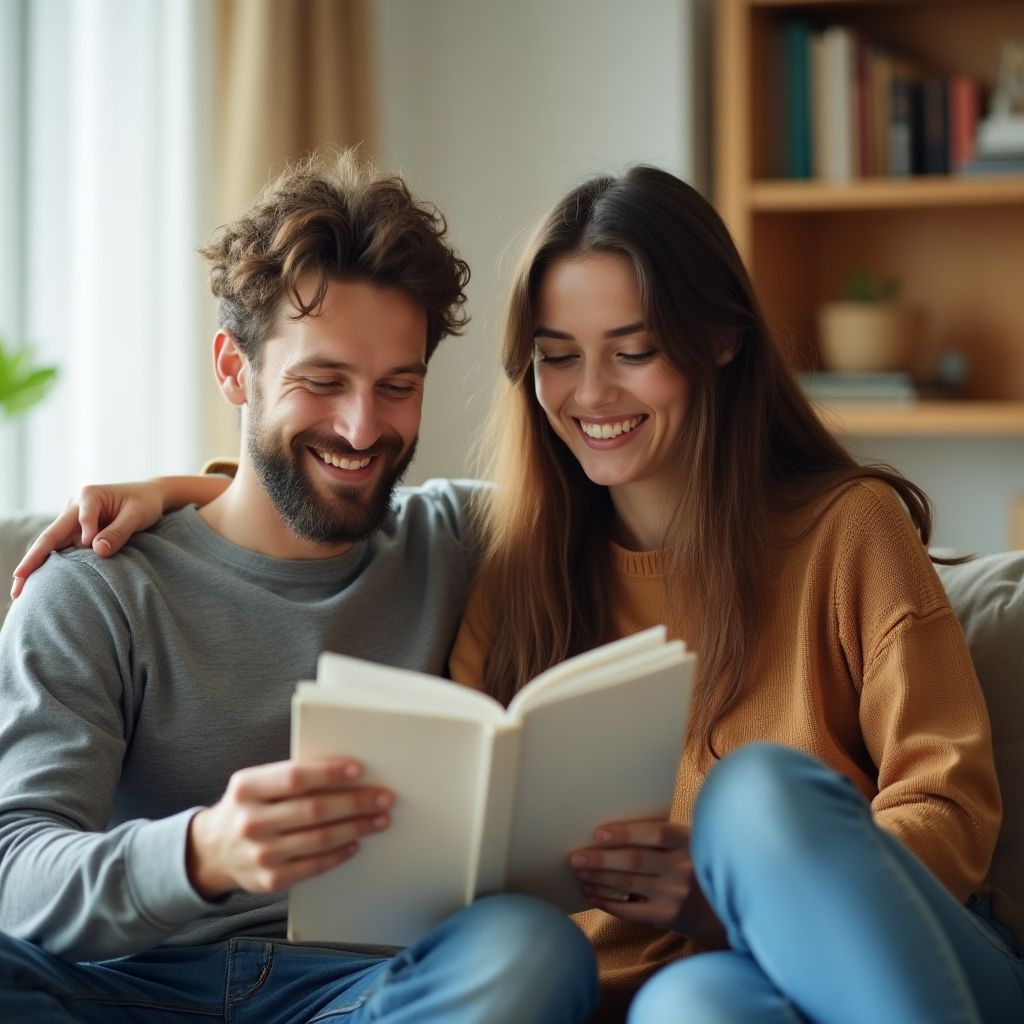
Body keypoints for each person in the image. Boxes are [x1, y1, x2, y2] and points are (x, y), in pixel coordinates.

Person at [15, 167, 1024, 1022]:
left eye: (633, 352)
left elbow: (944, 800)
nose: (592, 395)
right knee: (690, 1010)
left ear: (716, 341)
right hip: (653, 985)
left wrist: (741, 892)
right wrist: (183, 499)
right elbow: (17, 868)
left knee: (714, 830)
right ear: (235, 370)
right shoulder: (506, 554)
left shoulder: (821, 530)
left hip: (892, 964)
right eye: (557, 360)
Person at [0, 152, 598, 1024]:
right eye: (321, 382)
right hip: (124, 985)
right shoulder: (96, 587)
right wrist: (203, 852)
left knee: (531, 949)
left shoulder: (464, 539)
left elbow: (644, 498)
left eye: (398, 387)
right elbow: (16, 865)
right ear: (234, 370)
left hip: (362, 994)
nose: (362, 428)